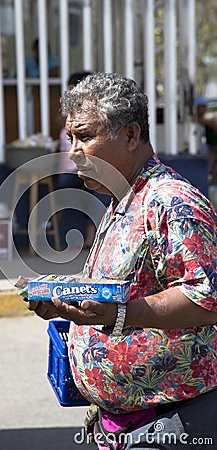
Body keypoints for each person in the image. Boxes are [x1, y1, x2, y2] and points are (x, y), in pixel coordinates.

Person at [26, 73, 217, 449]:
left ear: (131, 136)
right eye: (71, 139)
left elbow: (206, 298)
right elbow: (125, 287)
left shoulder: (171, 202)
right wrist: (68, 302)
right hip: (123, 423)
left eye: (85, 136)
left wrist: (119, 314)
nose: (73, 152)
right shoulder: (122, 200)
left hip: (173, 421)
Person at [57, 71, 110, 249]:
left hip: (80, 171)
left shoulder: (91, 116)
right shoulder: (71, 116)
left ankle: (88, 236)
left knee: (95, 189)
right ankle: (88, 236)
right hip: (75, 172)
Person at [196, 94, 217, 184]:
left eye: (205, 106)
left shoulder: (207, 123)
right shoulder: (195, 121)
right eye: (202, 106)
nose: (204, 109)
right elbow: (197, 120)